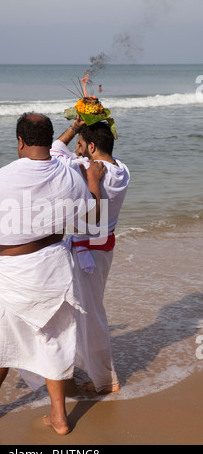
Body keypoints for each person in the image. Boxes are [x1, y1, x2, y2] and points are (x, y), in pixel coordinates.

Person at [0, 112, 104, 435]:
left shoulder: (5, 177)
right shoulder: (67, 175)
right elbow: (94, 221)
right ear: (49, 140)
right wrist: (94, 185)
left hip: (13, 275)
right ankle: (59, 417)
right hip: (53, 270)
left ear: (20, 142)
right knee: (54, 342)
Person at [50, 117, 130, 393]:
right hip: (101, 248)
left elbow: (52, 152)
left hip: (88, 252)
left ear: (92, 147)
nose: (77, 150)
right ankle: (76, 370)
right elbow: (67, 154)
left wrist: (73, 127)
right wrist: (83, 131)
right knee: (81, 311)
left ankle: (106, 380)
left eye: (81, 145)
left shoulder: (87, 170)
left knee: (91, 314)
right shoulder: (121, 169)